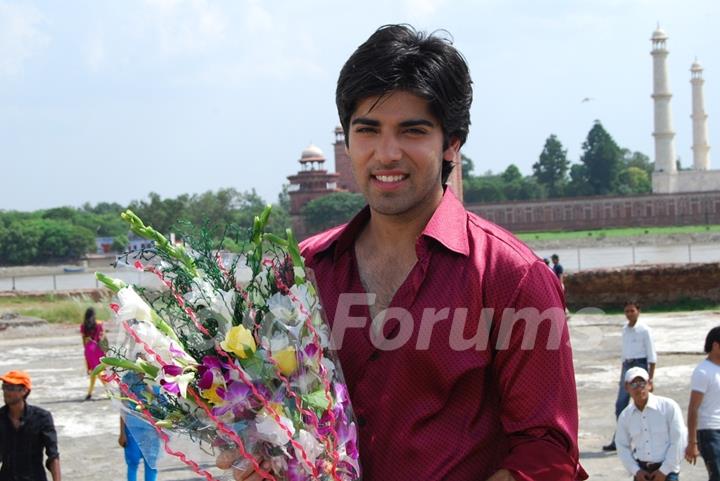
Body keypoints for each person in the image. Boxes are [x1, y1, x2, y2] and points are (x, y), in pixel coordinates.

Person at [235, 24, 585, 481]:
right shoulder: (303, 272)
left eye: (412, 130)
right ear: (348, 138)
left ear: (452, 143)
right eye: (368, 130)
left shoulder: (510, 278)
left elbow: (547, 452)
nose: (386, 153)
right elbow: (275, 411)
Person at [604, 300, 657, 451]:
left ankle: (642, 441)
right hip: (627, 367)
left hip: (640, 366)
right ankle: (620, 439)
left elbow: (652, 356)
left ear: (638, 311)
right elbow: (624, 353)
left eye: (632, 311)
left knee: (641, 404)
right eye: (627, 311)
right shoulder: (625, 329)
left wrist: (650, 379)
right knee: (620, 405)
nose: (629, 314)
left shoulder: (644, 330)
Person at [616, 367, 686, 481]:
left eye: (642, 383)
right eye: (634, 384)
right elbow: (622, 445)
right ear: (626, 387)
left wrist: (664, 471)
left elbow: (679, 440)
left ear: (649, 384)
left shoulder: (668, 407)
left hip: (668, 472)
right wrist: (635, 470)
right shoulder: (625, 416)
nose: (639, 388)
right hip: (642, 472)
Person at [0, 370, 61, 481]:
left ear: (24, 391)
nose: (6, 392)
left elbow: (53, 455)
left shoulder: (42, 417)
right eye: (4, 387)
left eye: (11, 388)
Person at [685, 326, 720, 480]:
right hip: (709, 432)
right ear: (716, 345)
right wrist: (692, 442)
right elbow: (693, 408)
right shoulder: (703, 371)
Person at [118, 371, 160, 481]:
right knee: (132, 461)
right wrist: (122, 432)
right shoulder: (127, 378)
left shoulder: (156, 377)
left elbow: (159, 401)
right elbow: (123, 407)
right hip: (132, 428)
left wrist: (145, 382)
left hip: (152, 428)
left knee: (151, 463)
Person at [80, 307, 107, 400]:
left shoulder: (83, 325)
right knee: (99, 371)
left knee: (94, 371)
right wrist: (105, 349)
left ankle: (89, 393)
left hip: (89, 348)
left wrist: (86, 350)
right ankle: (108, 390)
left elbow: (83, 339)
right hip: (98, 348)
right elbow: (103, 337)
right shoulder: (99, 323)